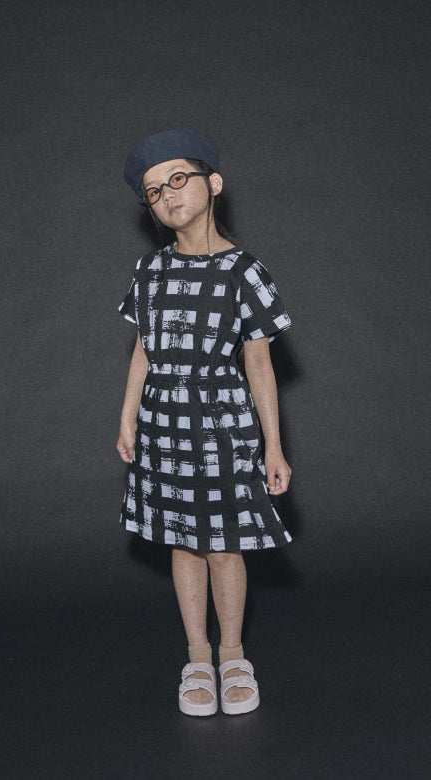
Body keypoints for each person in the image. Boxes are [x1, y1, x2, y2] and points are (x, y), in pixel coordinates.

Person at [116, 129, 292, 716]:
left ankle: (233, 654)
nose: (166, 195)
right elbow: (143, 350)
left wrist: (273, 446)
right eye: (153, 191)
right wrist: (127, 420)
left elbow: (259, 363)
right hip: (162, 423)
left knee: (222, 544)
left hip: (224, 425)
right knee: (182, 541)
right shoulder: (150, 270)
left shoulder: (245, 271)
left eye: (177, 179)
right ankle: (197, 655)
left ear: (212, 183)